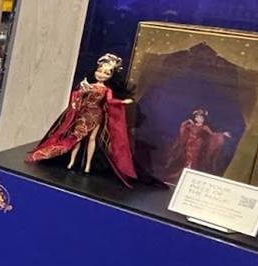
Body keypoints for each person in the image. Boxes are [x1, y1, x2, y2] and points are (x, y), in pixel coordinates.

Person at [26, 52, 137, 185]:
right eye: (99, 71)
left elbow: (110, 101)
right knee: (77, 137)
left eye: (106, 73)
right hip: (84, 114)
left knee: (92, 139)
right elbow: (77, 96)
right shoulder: (87, 85)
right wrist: (81, 93)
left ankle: (88, 165)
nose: (101, 75)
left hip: (97, 114)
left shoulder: (106, 90)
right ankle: (72, 161)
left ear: (111, 76)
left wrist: (122, 102)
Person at [155, 108, 232, 184]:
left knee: (194, 159)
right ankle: (185, 172)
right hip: (189, 144)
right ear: (195, 118)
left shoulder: (205, 127)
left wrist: (222, 134)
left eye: (201, 118)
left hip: (197, 145)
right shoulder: (192, 125)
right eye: (197, 117)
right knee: (187, 157)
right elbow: (183, 127)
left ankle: (190, 172)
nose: (199, 119)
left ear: (204, 119)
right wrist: (188, 121)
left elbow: (212, 135)